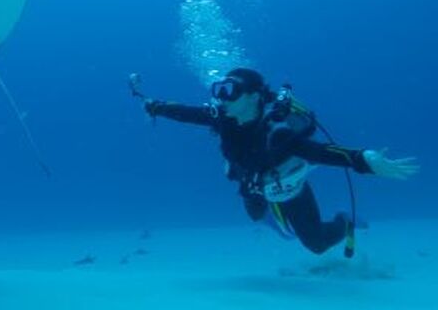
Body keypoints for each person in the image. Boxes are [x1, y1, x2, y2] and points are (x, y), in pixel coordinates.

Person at [139, 67, 419, 255]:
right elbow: (185, 113)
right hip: (252, 183)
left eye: (230, 91)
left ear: (253, 96)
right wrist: (155, 106)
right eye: (219, 90)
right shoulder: (222, 117)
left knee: (317, 245)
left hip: (286, 183)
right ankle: (279, 224)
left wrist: (363, 159)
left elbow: (317, 152)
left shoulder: (276, 131)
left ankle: (344, 222)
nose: (222, 98)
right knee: (255, 214)